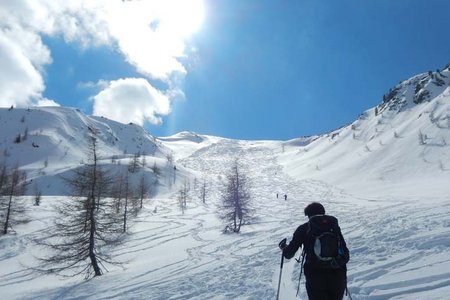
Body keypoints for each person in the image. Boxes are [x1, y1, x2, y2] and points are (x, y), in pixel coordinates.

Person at [279, 202, 349, 300]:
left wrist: (283, 247)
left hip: (315, 275)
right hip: (337, 274)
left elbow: (289, 254)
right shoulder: (334, 227)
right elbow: (345, 252)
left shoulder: (304, 228)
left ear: (308, 215)